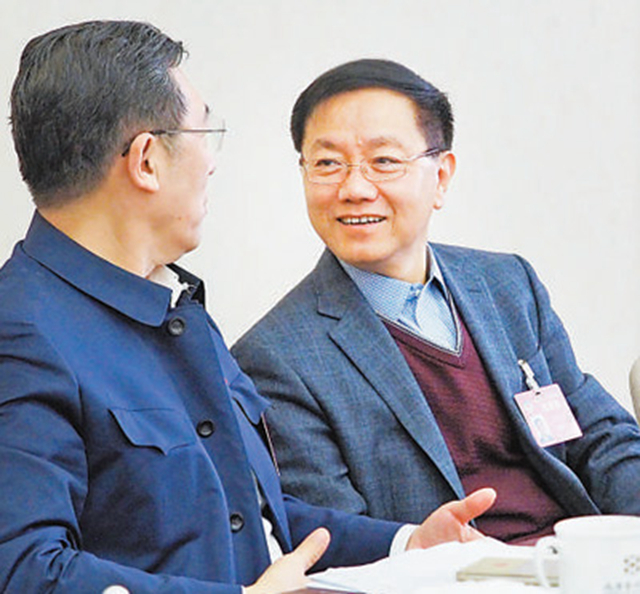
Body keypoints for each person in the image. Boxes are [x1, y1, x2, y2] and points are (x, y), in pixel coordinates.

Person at [0, 22, 498, 594]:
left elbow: (252, 517)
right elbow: (25, 571)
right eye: (203, 132)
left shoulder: (174, 307)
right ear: (146, 160)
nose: (211, 163)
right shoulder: (22, 334)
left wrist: (406, 544)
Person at [232, 58, 640, 546]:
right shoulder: (275, 358)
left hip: (584, 561)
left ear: (441, 176)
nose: (354, 188)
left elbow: (599, 436)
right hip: (452, 574)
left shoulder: (508, 285)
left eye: (384, 161)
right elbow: (331, 534)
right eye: (327, 164)